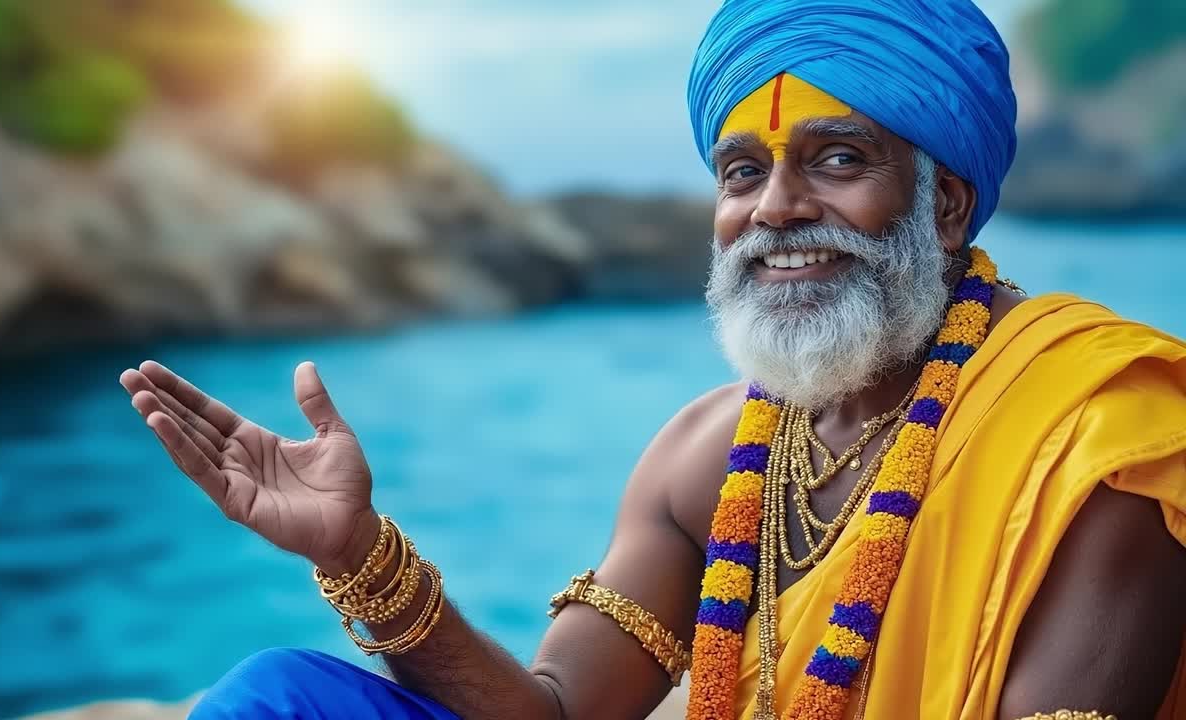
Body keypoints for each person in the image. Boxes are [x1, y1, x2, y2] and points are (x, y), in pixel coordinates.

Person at [118, 1, 1186, 718]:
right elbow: (555, 712)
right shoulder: (707, 453)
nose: (775, 208)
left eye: (838, 160)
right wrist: (356, 552)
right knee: (283, 695)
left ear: (942, 203)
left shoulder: (1095, 435)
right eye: (739, 172)